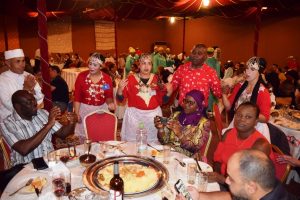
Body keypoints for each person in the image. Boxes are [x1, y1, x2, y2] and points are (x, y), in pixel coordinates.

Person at [176, 149, 297, 200]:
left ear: (251, 187)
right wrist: (198, 196)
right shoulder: (266, 185)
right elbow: (231, 196)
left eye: (231, 179)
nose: (226, 180)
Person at [0, 90, 77, 166]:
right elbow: (24, 149)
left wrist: (72, 122)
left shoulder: (42, 113)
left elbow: (63, 133)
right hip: (26, 167)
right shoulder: (7, 123)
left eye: (34, 100)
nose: (35, 104)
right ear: (18, 107)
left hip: (50, 161)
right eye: (29, 102)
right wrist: (48, 125)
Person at [212, 102, 273, 183]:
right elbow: (217, 160)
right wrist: (217, 176)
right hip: (224, 181)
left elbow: (251, 181)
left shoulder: (260, 145)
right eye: (239, 115)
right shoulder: (228, 133)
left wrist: (223, 181)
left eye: (248, 117)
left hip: (246, 190)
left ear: (256, 121)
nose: (242, 119)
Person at [117, 53, 166, 142]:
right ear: (139, 65)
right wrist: (120, 89)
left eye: (149, 63)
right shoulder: (131, 79)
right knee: (133, 144)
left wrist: (165, 91)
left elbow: (162, 100)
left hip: (153, 117)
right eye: (143, 63)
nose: (146, 66)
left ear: (152, 65)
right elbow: (121, 100)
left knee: (153, 145)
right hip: (134, 117)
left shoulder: (157, 79)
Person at [222, 57, 271, 141]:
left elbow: (265, 118)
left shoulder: (263, 92)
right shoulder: (240, 86)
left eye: (252, 69)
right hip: (237, 123)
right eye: (247, 68)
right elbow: (228, 107)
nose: (247, 71)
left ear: (259, 72)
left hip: (256, 128)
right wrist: (223, 93)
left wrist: (247, 116)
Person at [154, 90, 210, 158]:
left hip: (186, 159)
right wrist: (161, 129)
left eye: (191, 103)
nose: (186, 105)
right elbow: (164, 141)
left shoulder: (203, 123)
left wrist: (180, 134)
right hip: (168, 153)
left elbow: (195, 148)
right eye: (185, 101)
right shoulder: (176, 115)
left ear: (198, 106)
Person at [73, 52, 115, 141]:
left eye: (95, 65)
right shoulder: (81, 77)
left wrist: (110, 104)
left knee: (100, 136)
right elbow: (77, 97)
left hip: (101, 111)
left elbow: (108, 95)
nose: (91, 67)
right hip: (84, 111)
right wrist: (77, 113)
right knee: (85, 138)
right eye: (90, 63)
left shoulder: (106, 79)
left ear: (101, 66)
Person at [168, 44, 222, 109]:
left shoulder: (210, 72)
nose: (195, 55)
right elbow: (173, 85)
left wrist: (224, 90)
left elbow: (218, 93)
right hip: (183, 108)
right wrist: (163, 88)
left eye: (199, 53)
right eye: (194, 52)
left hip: (200, 111)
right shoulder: (182, 69)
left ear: (205, 57)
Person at [0, 49, 44, 122]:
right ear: (8, 63)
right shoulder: (2, 79)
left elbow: (40, 98)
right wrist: (26, 89)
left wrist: (32, 90)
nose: (22, 64)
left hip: (31, 116)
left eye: (23, 61)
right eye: (18, 61)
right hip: (10, 119)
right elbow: (10, 105)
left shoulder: (28, 75)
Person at [206, 47, 221, 112]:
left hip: (204, 81)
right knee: (212, 96)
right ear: (213, 53)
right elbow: (217, 73)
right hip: (212, 81)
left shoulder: (203, 61)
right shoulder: (216, 62)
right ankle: (211, 110)